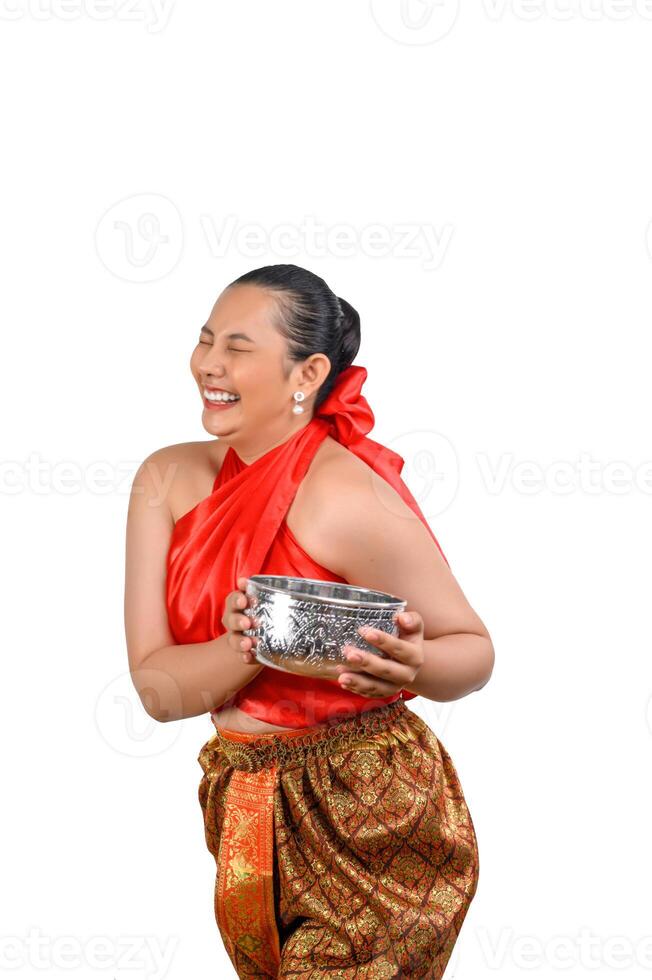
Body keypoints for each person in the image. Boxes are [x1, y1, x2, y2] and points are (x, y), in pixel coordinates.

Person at [124, 264, 495, 978]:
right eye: (205, 341)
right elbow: (157, 690)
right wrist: (248, 644)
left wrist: (415, 666)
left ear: (310, 371)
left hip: (373, 808)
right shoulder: (165, 480)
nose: (209, 364)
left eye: (237, 347)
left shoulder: (346, 496)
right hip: (241, 806)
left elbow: (475, 651)